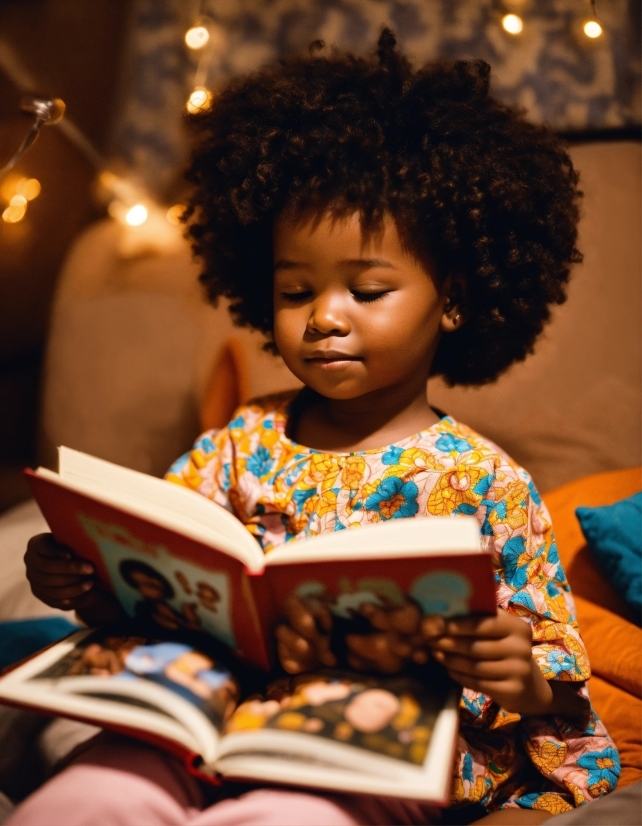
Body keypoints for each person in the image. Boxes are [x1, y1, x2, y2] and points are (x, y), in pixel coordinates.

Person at [16, 29, 618, 826]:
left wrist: (519, 676)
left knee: (295, 816)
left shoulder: (488, 482)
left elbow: (551, 684)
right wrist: (82, 576)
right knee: (93, 792)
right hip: (203, 726)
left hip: (369, 755)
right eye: (296, 290)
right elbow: (153, 585)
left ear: (455, 300)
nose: (325, 317)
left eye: (366, 291)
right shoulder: (239, 443)